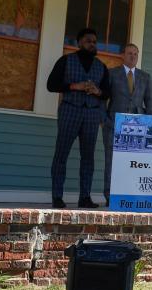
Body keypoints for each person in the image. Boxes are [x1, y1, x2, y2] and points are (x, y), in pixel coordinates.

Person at [46, 28, 110, 209]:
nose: (92, 44)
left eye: (94, 41)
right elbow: (51, 85)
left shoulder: (101, 66)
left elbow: (107, 93)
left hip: (91, 114)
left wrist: (98, 91)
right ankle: (57, 197)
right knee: (61, 155)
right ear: (79, 43)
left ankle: (85, 197)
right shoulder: (66, 61)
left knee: (88, 157)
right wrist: (75, 86)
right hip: (70, 110)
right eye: (88, 40)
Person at [102, 43, 152, 204]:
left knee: (134, 162)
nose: (133, 56)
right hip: (114, 124)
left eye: (135, 54)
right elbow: (102, 99)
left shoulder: (145, 77)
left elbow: (151, 103)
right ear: (122, 55)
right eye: (129, 53)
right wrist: (104, 120)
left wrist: (150, 125)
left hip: (138, 127)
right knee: (111, 161)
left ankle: (130, 196)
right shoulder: (112, 74)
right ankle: (110, 197)